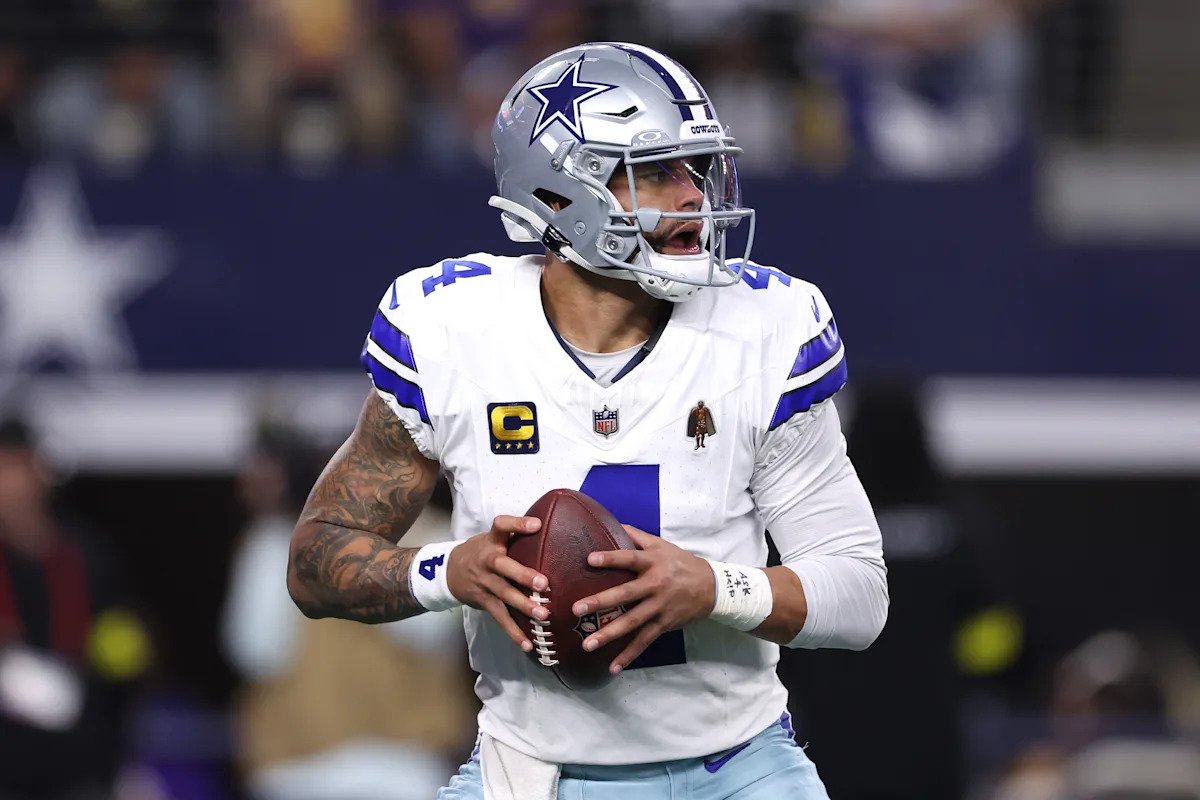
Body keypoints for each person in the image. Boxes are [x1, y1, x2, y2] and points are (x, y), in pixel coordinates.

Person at [287, 42, 889, 800]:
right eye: (657, 172)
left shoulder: (766, 324)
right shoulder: (452, 328)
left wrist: (714, 588)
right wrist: (448, 571)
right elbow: (314, 563)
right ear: (560, 193)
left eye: (696, 169)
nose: (693, 197)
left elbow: (859, 596)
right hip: (532, 773)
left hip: (736, 768)